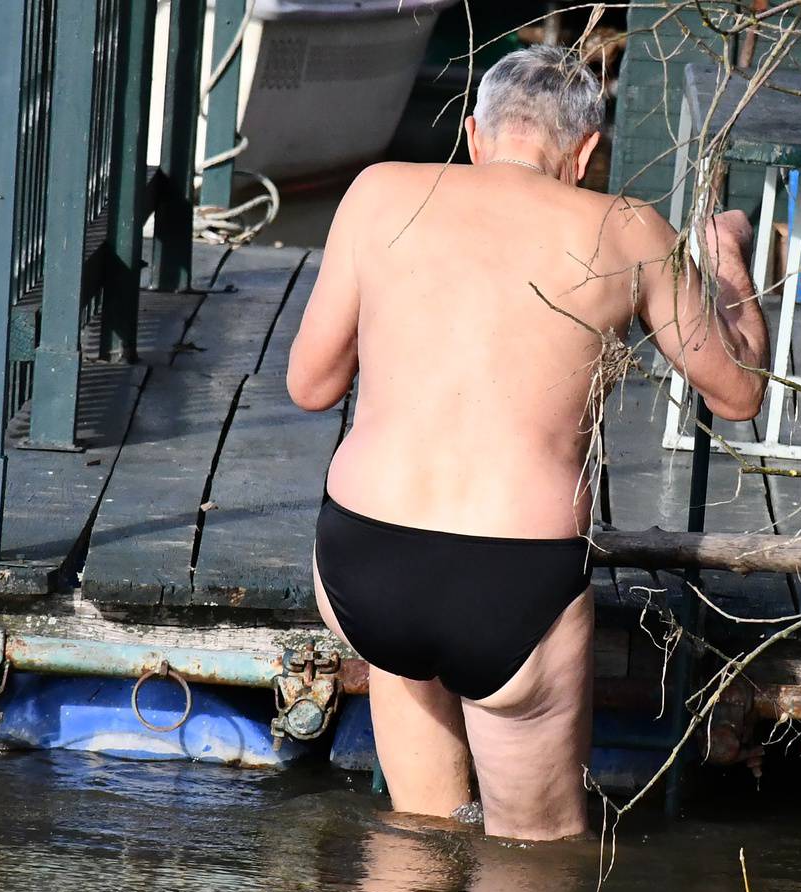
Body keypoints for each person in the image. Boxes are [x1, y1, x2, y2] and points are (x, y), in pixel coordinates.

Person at [287, 44, 768, 842]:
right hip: (509, 577)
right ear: (584, 154)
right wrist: (726, 265)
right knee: (528, 873)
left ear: (475, 136)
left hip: (363, 561)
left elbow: (310, 386)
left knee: (419, 842)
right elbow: (738, 389)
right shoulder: (628, 230)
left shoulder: (378, 195)